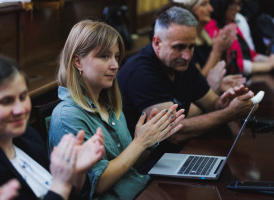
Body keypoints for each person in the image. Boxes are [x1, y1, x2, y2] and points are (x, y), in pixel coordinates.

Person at [48, 20, 184, 200]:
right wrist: (139, 143)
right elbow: (97, 184)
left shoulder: (108, 104)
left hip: (140, 190)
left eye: (116, 56)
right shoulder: (67, 115)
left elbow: (127, 165)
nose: (115, 65)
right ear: (78, 62)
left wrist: (150, 139)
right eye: (104, 56)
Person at [117, 6, 255, 146]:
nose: (187, 55)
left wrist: (227, 103)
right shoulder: (140, 72)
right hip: (145, 164)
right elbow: (173, 132)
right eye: (179, 47)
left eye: (191, 46)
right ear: (157, 43)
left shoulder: (180, 64)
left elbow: (212, 104)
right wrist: (229, 113)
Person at [0, 54, 105, 200]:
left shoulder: (28, 136)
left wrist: (75, 173)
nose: (20, 109)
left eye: (23, 97)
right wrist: (61, 184)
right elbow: (58, 190)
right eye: (5, 101)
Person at [172, 0, 246, 94]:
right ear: (189, 10)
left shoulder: (204, 35)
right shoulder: (186, 44)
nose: (211, 9)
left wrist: (224, 48)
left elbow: (223, 69)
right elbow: (197, 83)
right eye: (204, 4)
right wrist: (217, 51)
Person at [208, 0, 274, 76]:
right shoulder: (212, 28)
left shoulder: (232, 24)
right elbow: (235, 64)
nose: (238, 9)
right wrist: (267, 66)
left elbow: (249, 53)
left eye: (239, 4)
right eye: (232, 4)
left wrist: (268, 60)